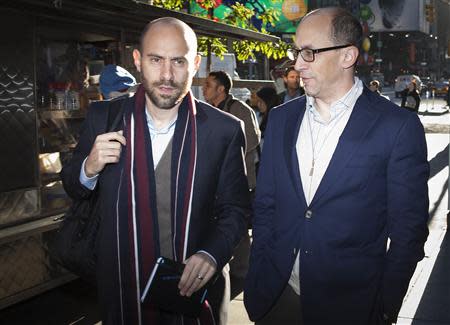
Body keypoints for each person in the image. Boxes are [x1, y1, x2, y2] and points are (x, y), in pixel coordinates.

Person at [245, 7, 429, 325]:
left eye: (309, 52)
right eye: (296, 51)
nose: (297, 64)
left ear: (347, 56)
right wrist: (258, 274)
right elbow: (266, 205)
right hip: (275, 297)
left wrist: (384, 307)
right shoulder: (281, 119)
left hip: (353, 307)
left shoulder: (397, 127)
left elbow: (408, 233)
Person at [61, 17, 250, 325]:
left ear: (195, 64)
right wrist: (89, 167)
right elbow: (73, 186)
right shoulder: (104, 118)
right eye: (155, 60)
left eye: (178, 61)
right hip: (122, 292)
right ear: (137, 60)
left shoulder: (224, 130)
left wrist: (212, 254)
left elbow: (236, 210)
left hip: (194, 295)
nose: (166, 74)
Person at [202, 70, 261, 193]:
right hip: (215, 181)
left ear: (220, 89)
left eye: (208, 85)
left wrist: (227, 155)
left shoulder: (241, 109)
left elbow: (252, 138)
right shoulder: (208, 111)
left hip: (239, 180)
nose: (203, 88)